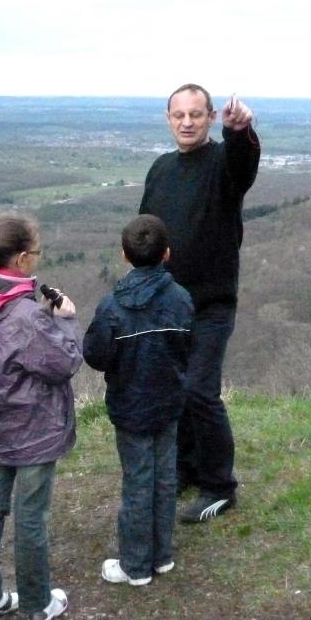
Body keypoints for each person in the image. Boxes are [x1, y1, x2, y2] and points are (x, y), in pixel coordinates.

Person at [138, 84, 260, 524]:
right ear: (168, 119)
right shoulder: (161, 169)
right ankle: (184, 468)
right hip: (166, 302)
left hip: (211, 304)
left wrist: (241, 130)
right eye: (178, 115)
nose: (186, 122)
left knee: (199, 391)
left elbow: (245, 162)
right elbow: (146, 229)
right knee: (174, 391)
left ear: (210, 117)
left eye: (195, 114)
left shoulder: (223, 163)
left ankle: (220, 486)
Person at [0, 213, 82, 620]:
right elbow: (62, 362)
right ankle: (36, 603)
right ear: (24, 260)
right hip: (33, 428)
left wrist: (42, 318)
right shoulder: (24, 315)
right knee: (31, 516)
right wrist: (64, 321)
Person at [82, 215, 194, 585]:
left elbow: (96, 356)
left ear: (124, 255)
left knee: (138, 481)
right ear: (167, 253)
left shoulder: (112, 305)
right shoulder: (181, 299)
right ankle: (161, 556)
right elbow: (187, 348)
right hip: (169, 402)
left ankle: (135, 565)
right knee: (164, 477)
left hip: (130, 405)